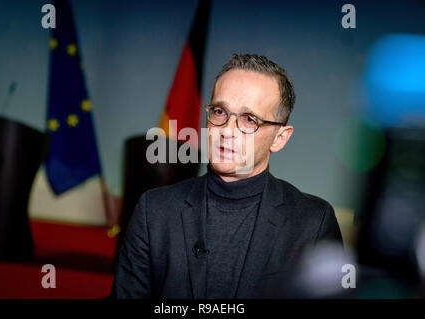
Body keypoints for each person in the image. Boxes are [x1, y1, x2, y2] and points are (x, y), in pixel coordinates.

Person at [110, 53, 343, 299]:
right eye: (220, 112)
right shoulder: (154, 211)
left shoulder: (313, 222)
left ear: (280, 138)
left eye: (249, 119)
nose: (227, 131)